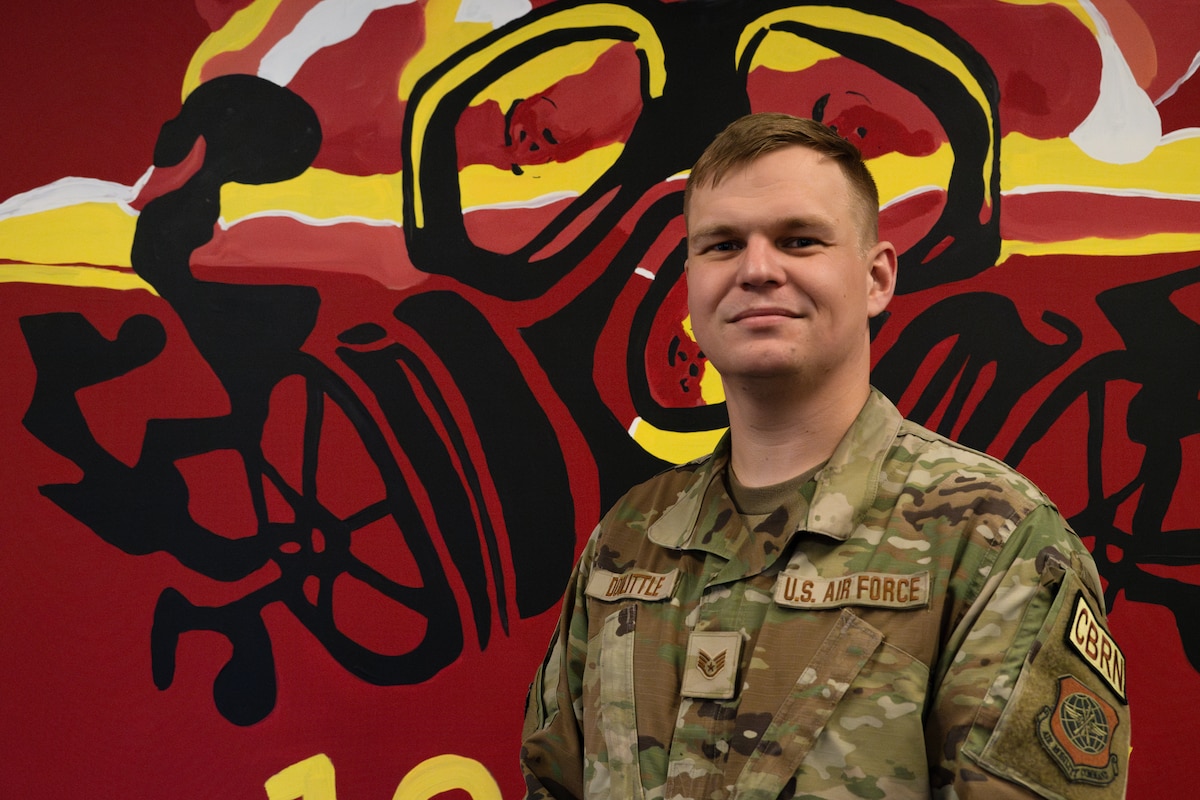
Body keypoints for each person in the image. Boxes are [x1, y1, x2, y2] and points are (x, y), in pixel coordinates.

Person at [519, 113, 1129, 799]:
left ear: (877, 279)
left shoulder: (988, 538)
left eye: (799, 240)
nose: (756, 270)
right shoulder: (627, 544)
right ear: (690, 284)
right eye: (721, 245)